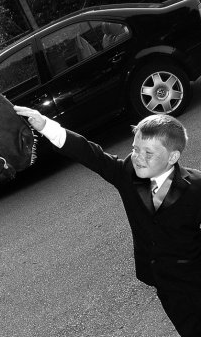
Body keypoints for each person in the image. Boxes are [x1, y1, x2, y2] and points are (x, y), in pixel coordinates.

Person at [14, 105, 201, 337]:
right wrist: (46, 126)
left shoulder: (197, 187)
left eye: (148, 153)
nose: (138, 158)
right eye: (135, 149)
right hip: (166, 285)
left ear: (173, 156)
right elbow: (89, 153)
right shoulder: (127, 173)